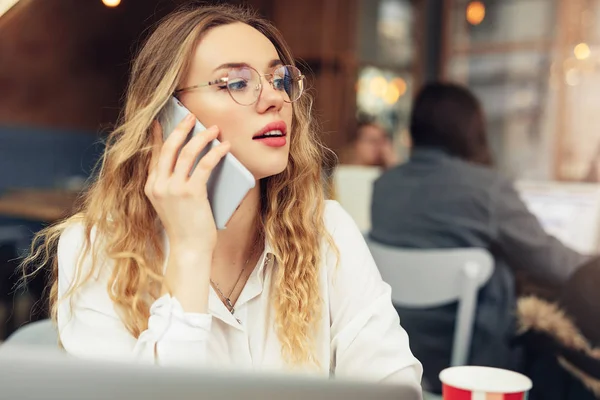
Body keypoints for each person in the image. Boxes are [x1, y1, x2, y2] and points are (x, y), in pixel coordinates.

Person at [21, 4, 422, 387]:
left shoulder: (327, 229)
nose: (276, 99)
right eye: (237, 83)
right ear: (167, 115)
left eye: (280, 79)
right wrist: (191, 250)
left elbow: (392, 383)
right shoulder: (96, 250)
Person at [370, 82, 588, 392]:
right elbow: (554, 264)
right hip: (475, 365)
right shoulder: (487, 189)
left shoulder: (384, 187)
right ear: (470, 130)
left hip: (397, 354)